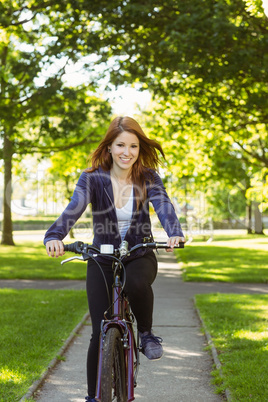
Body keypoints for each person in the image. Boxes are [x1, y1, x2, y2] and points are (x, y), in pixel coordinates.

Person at [44, 116, 185, 402]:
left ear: (138, 148)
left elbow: (163, 206)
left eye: (133, 146)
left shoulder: (148, 177)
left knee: (135, 283)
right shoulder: (92, 178)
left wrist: (174, 233)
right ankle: (93, 397)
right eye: (120, 144)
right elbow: (75, 207)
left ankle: (145, 334)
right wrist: (54, 236)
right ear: (109, 146)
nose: (127, 152)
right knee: (99, 332)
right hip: (102, 257)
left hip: (139, 253)